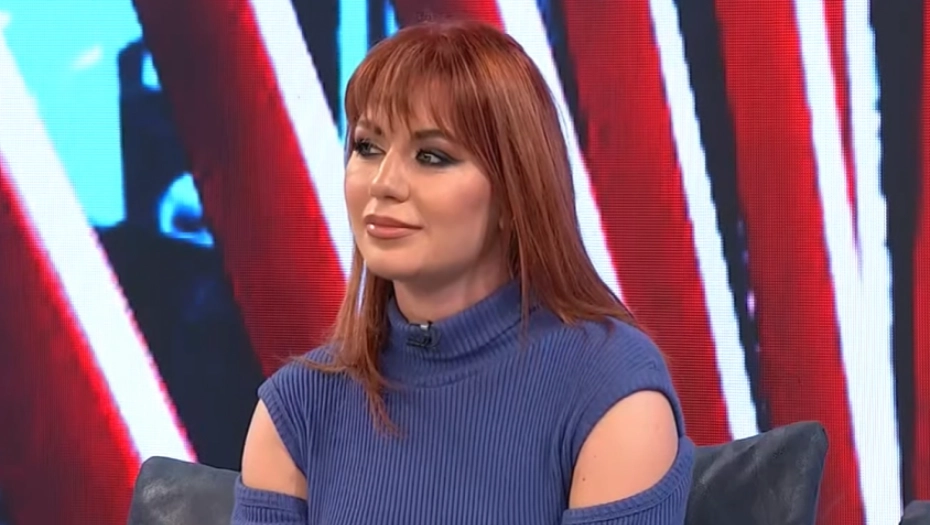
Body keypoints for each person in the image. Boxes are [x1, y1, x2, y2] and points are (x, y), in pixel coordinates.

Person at [232, 20, 694, 525]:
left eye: (431, 156)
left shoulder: (608, 387)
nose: (383, 183)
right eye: (368, 147)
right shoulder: (296, 410)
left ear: (514, 194)